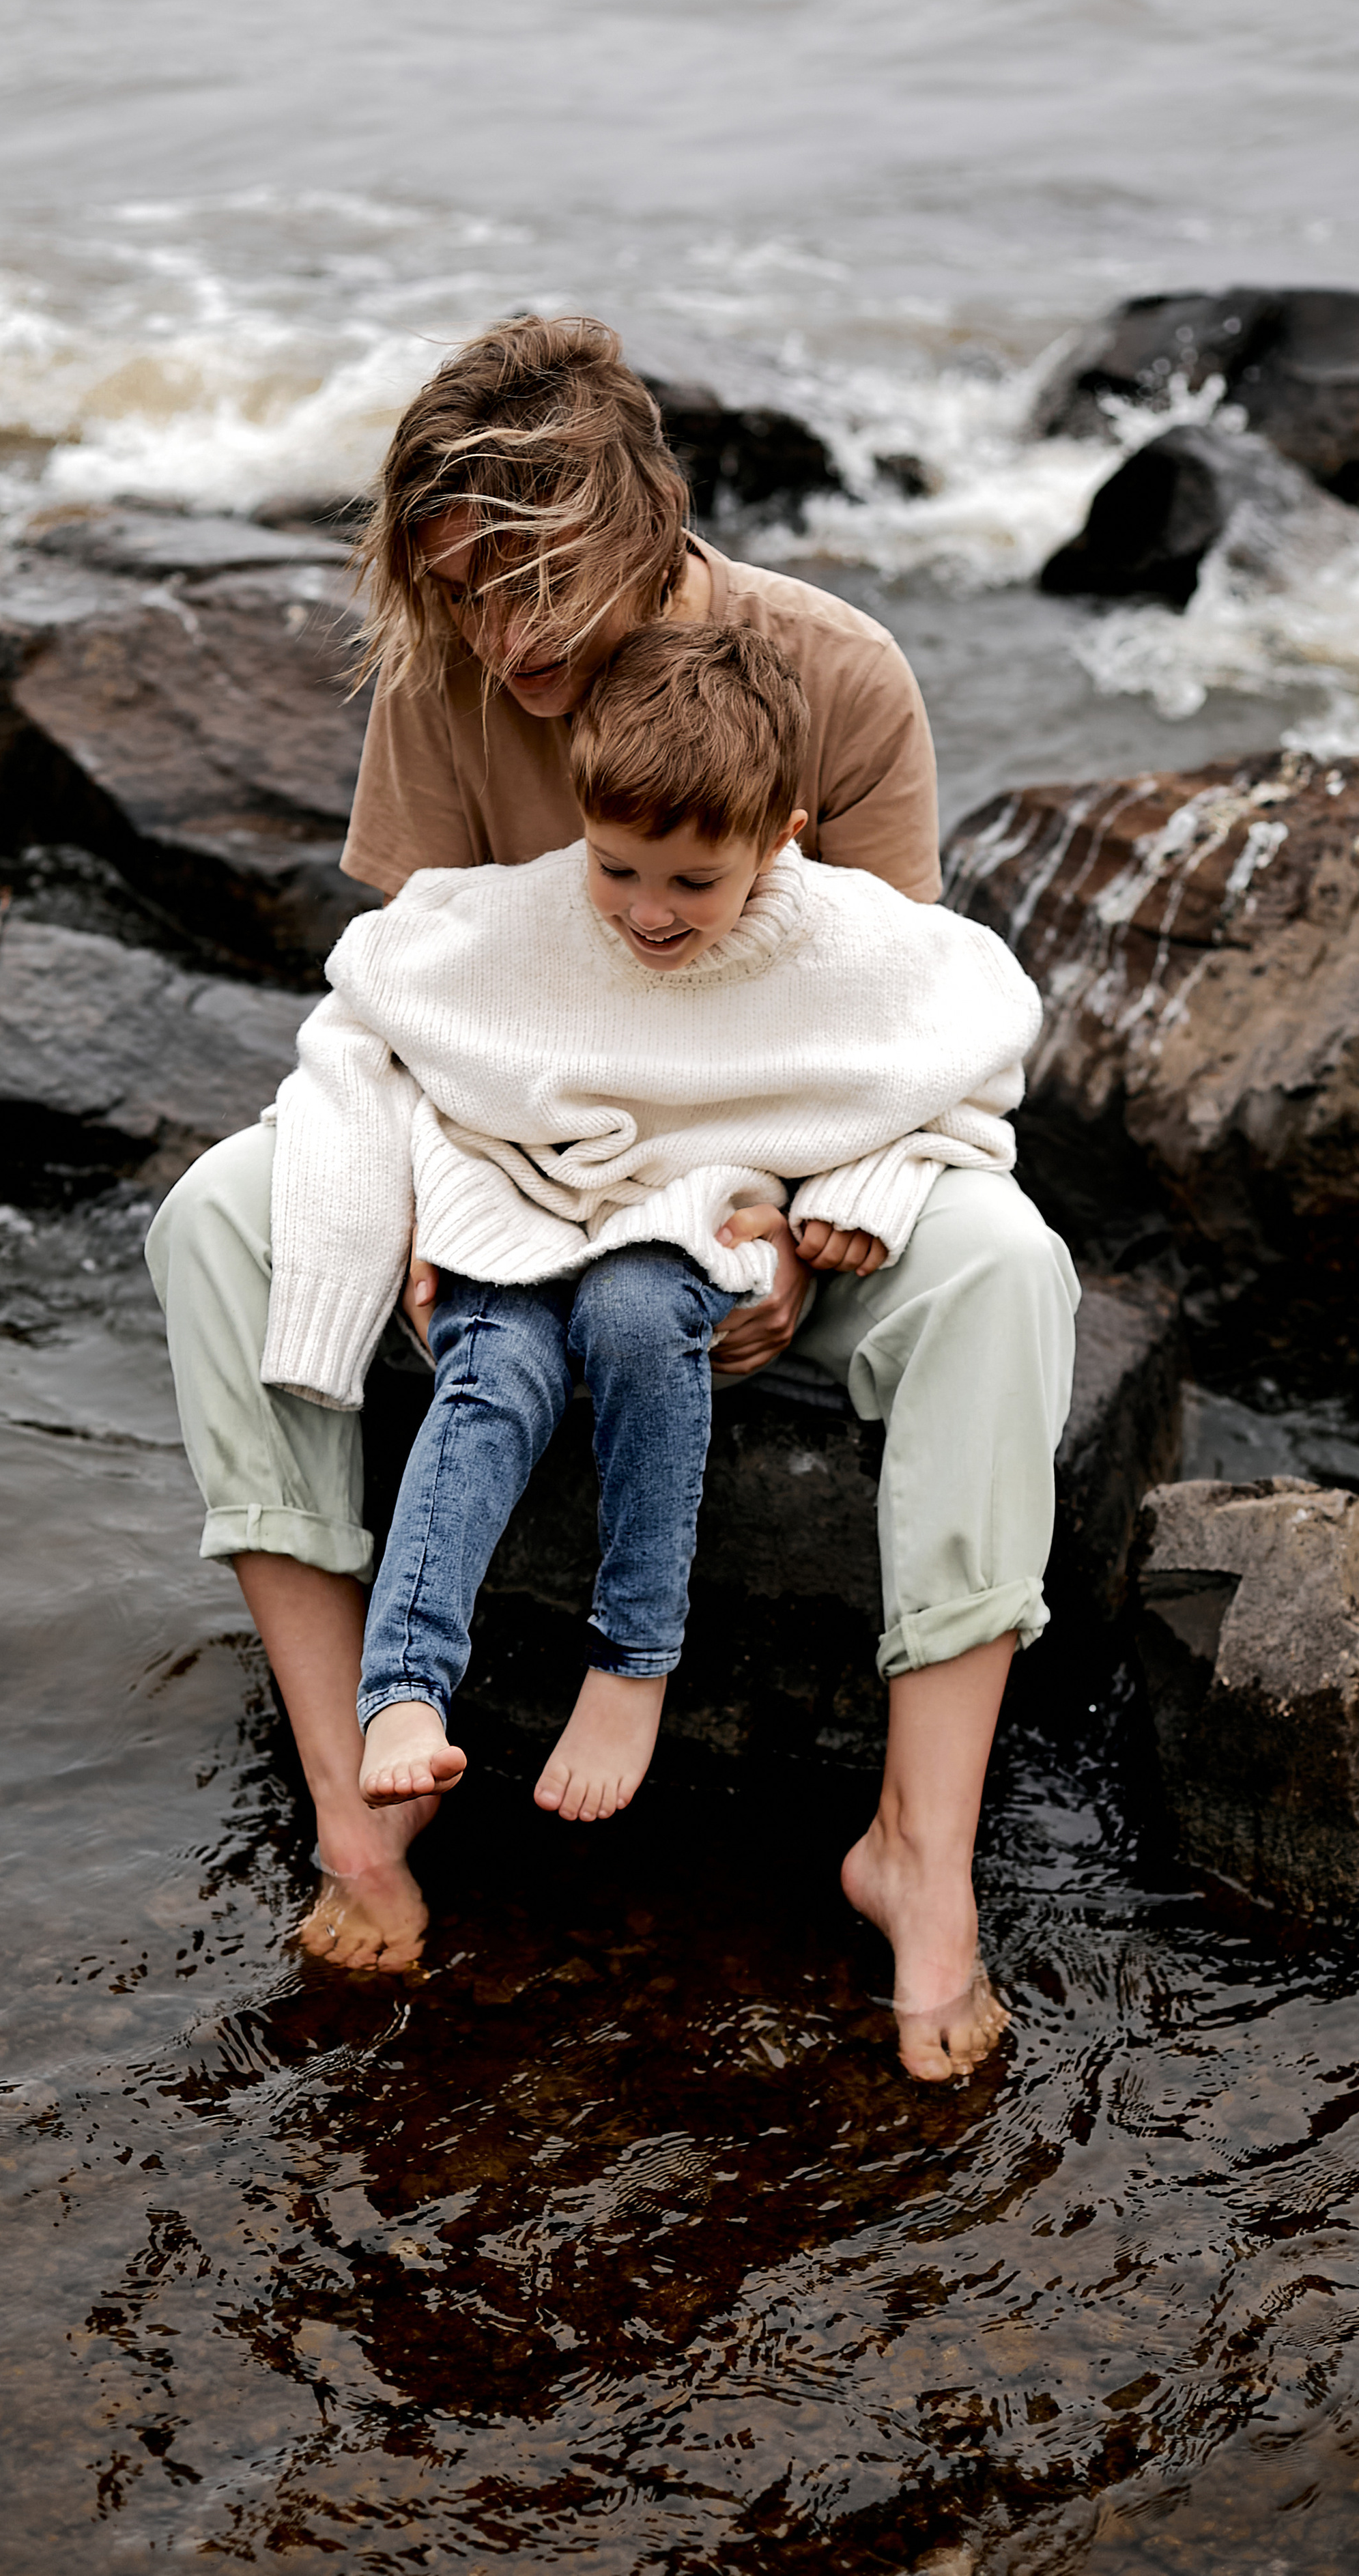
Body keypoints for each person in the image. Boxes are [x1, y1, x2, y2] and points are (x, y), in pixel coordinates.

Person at [145, 313, 1079, 2081]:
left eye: (534, 587)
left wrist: (801, 1222)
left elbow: (892, 1015)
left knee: (1010, 1270)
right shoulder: (449, 673)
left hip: (766, 1163)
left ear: (651, 522)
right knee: (214, 1215)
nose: (502, 637)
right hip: (524, 1148)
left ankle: (919, 1851)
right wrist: (429, 1200)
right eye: (459, 593)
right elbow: (424, 996)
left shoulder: (838, 674)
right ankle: (359, 1785)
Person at [269, 626, 1040, 1867]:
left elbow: (979, 1037)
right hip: (512, 1191)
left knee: (635, 1314)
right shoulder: (527, 912)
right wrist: (372, 1239)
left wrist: (871, 1181)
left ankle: (632, 1662)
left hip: (685, 1212)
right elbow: (369, 992)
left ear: (780, 833)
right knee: (494, 1371)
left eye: (693, 882)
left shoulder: (843, 938)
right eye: (618, 869)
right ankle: (403, 1685)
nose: (648, 912)